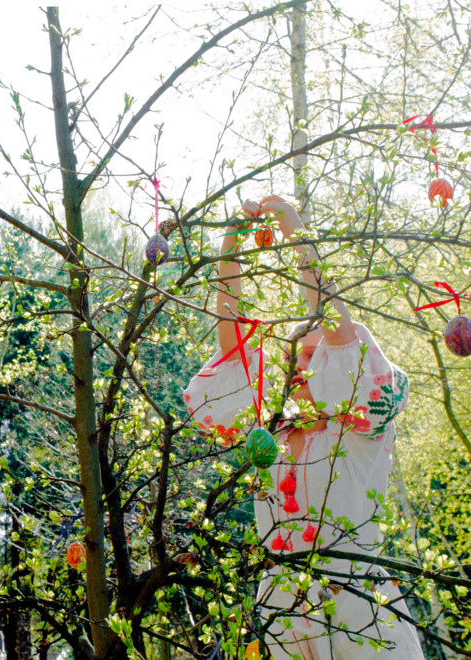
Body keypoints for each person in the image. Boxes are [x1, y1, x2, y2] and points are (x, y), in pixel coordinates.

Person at [183, 197, 424, 659]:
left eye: (315, 354)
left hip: (361, 606)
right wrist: (231, 247)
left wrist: (295, 231)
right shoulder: (267, 434)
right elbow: (232, 345)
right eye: (292, 356)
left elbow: (339, 327)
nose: (299, 364)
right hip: (285, 610)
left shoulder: (361, 429)